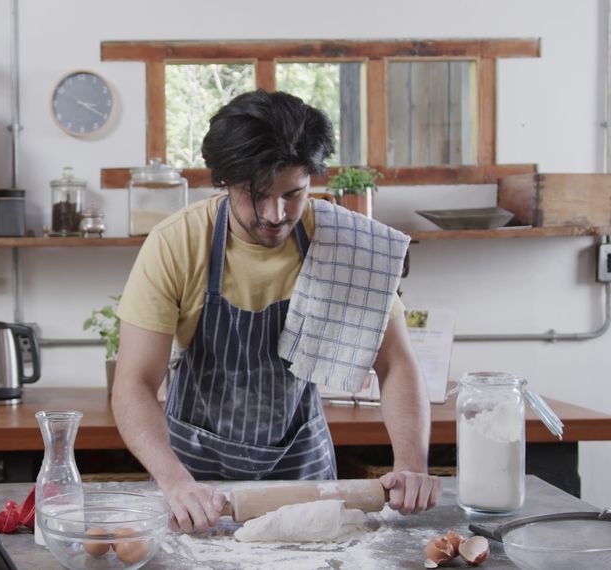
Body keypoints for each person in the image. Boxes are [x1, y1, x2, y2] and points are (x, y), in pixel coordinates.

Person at [112, 90, 441, 533]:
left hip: (303, 474)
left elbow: (396, 362)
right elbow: (134, 382)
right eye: (257, 195)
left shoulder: (345, 243)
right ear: (226, 181)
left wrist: (411, 465)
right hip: (197, 483)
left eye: (293, 194)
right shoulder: (178, 243)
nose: (275, 214)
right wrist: (175, 483)